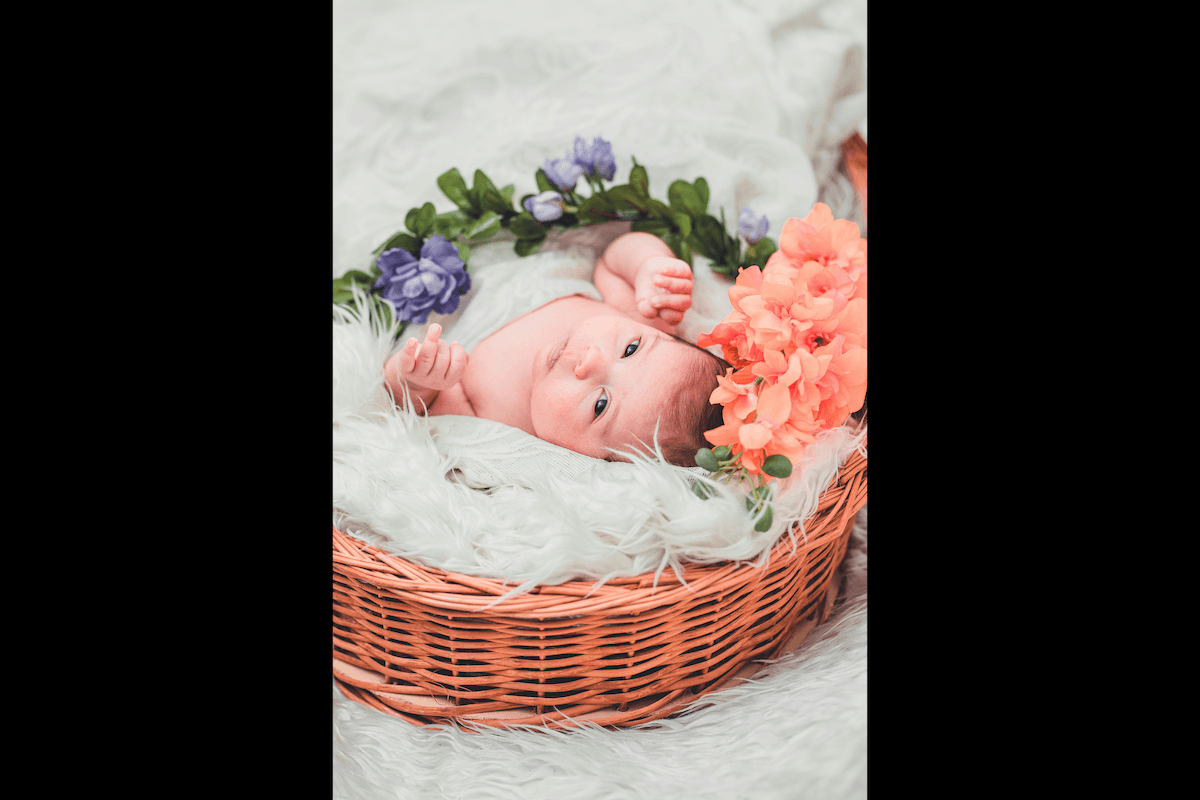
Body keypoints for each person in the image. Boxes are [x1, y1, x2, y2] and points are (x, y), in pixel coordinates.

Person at [382, 231, 728, 466]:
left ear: (588, 459)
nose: (591, 360)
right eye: (631, 349)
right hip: (497, 247)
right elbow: (612, 259)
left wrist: (417, 379)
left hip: (435, 300)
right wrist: (649, 265)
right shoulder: (638, 316)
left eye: (600, 404)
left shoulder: (500, 426)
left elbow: (419, 408)